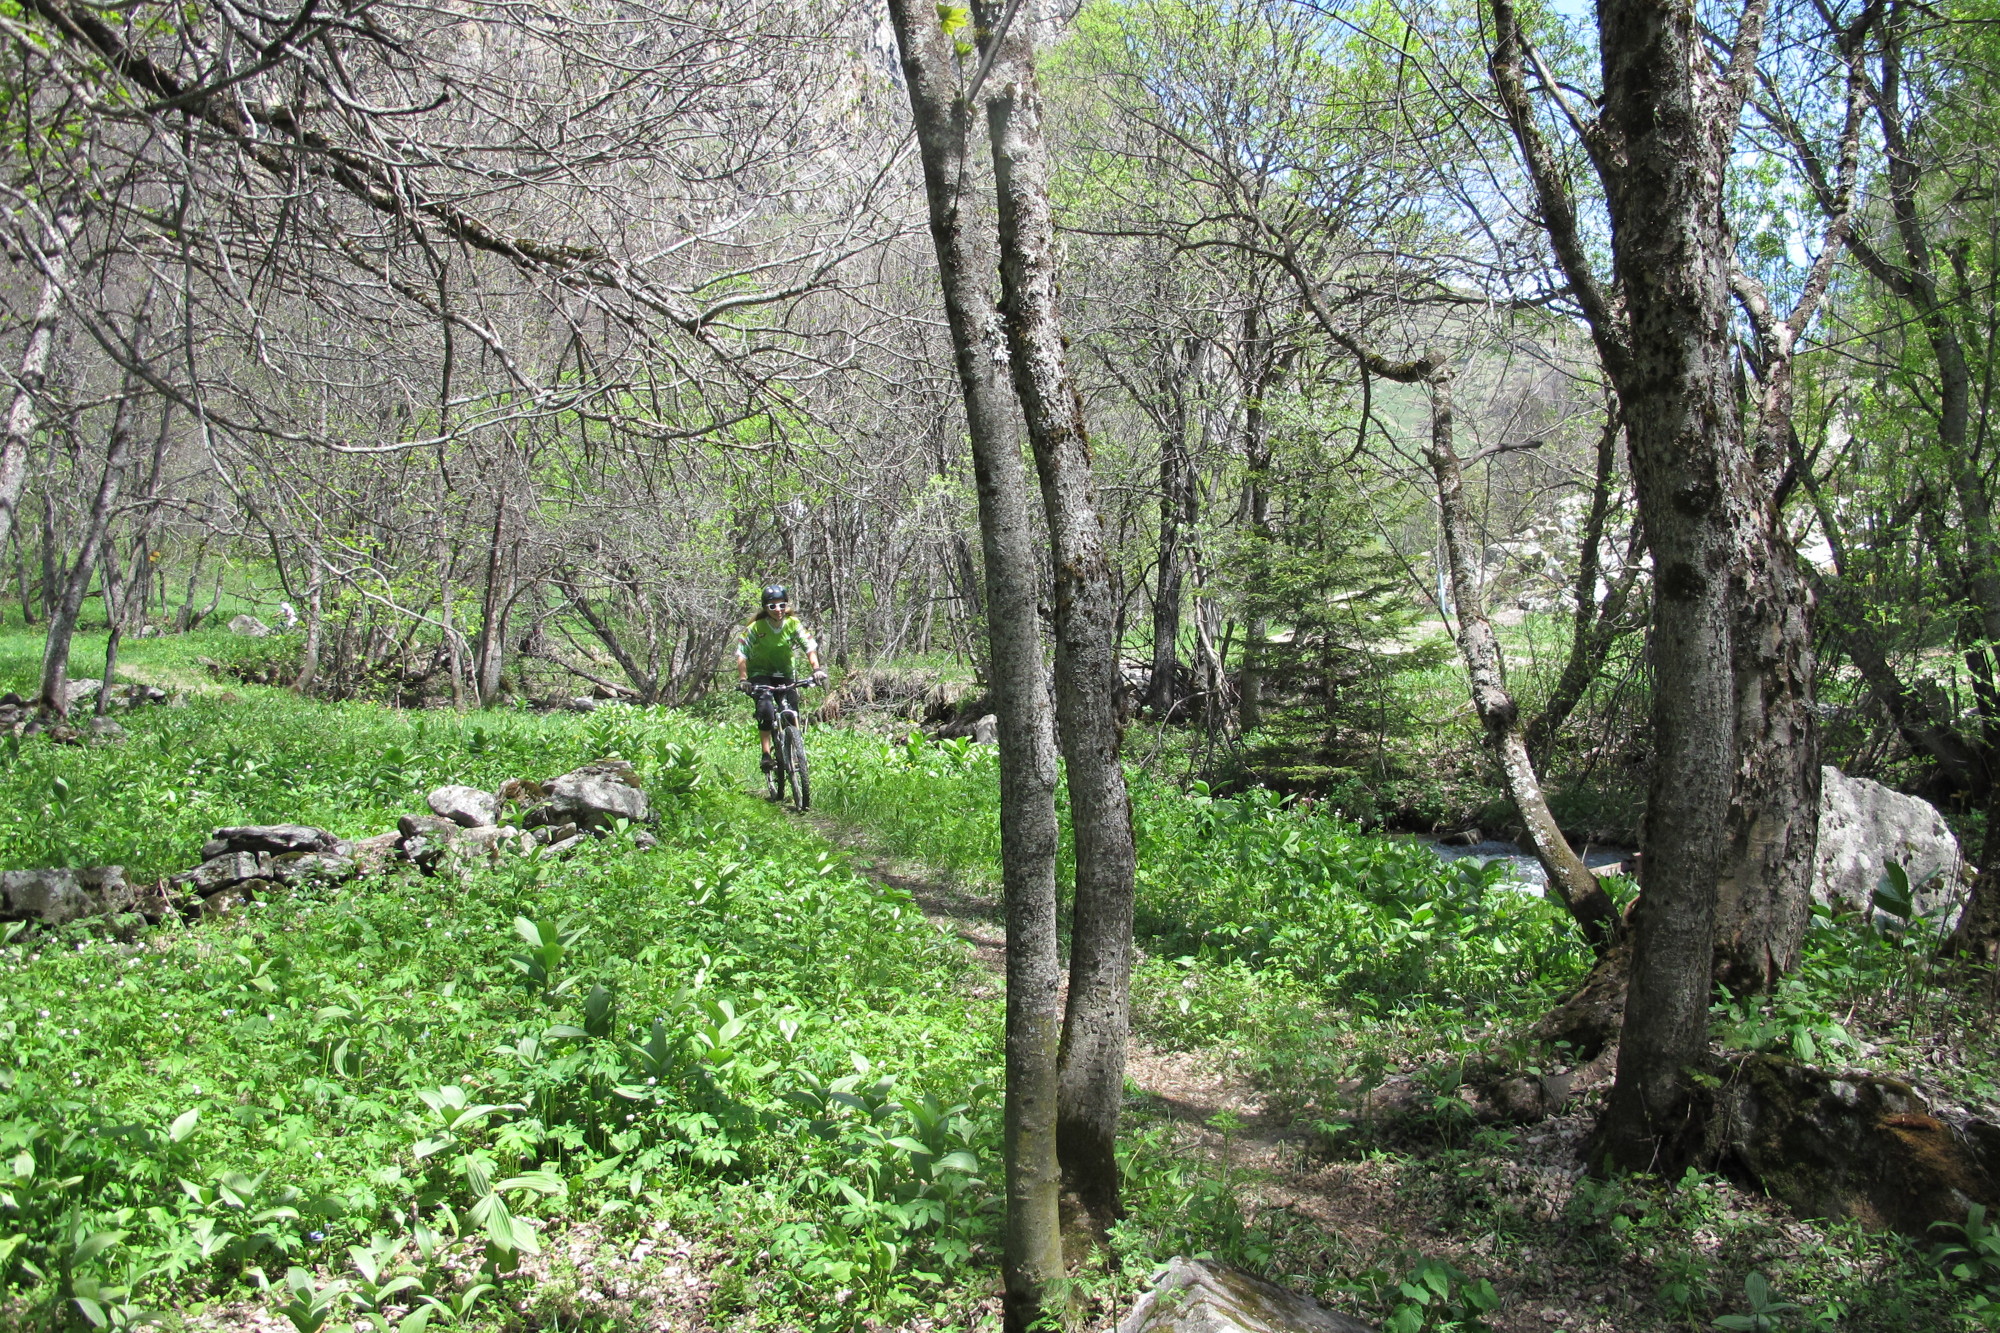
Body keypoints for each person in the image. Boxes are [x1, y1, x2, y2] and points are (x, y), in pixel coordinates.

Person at [735, 584, 824, 772]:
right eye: (773, 606)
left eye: (782, 605)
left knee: (792, 710)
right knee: (766, 709)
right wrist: (744, 679)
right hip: (760, 675)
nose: (778, 610)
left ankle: (795, 752)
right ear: (765, 608)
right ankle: (766, 754)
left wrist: (816, 669)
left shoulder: (793, 623)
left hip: (784, 673)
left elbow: (809, 645)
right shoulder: (755, 627)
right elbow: (742, 654)